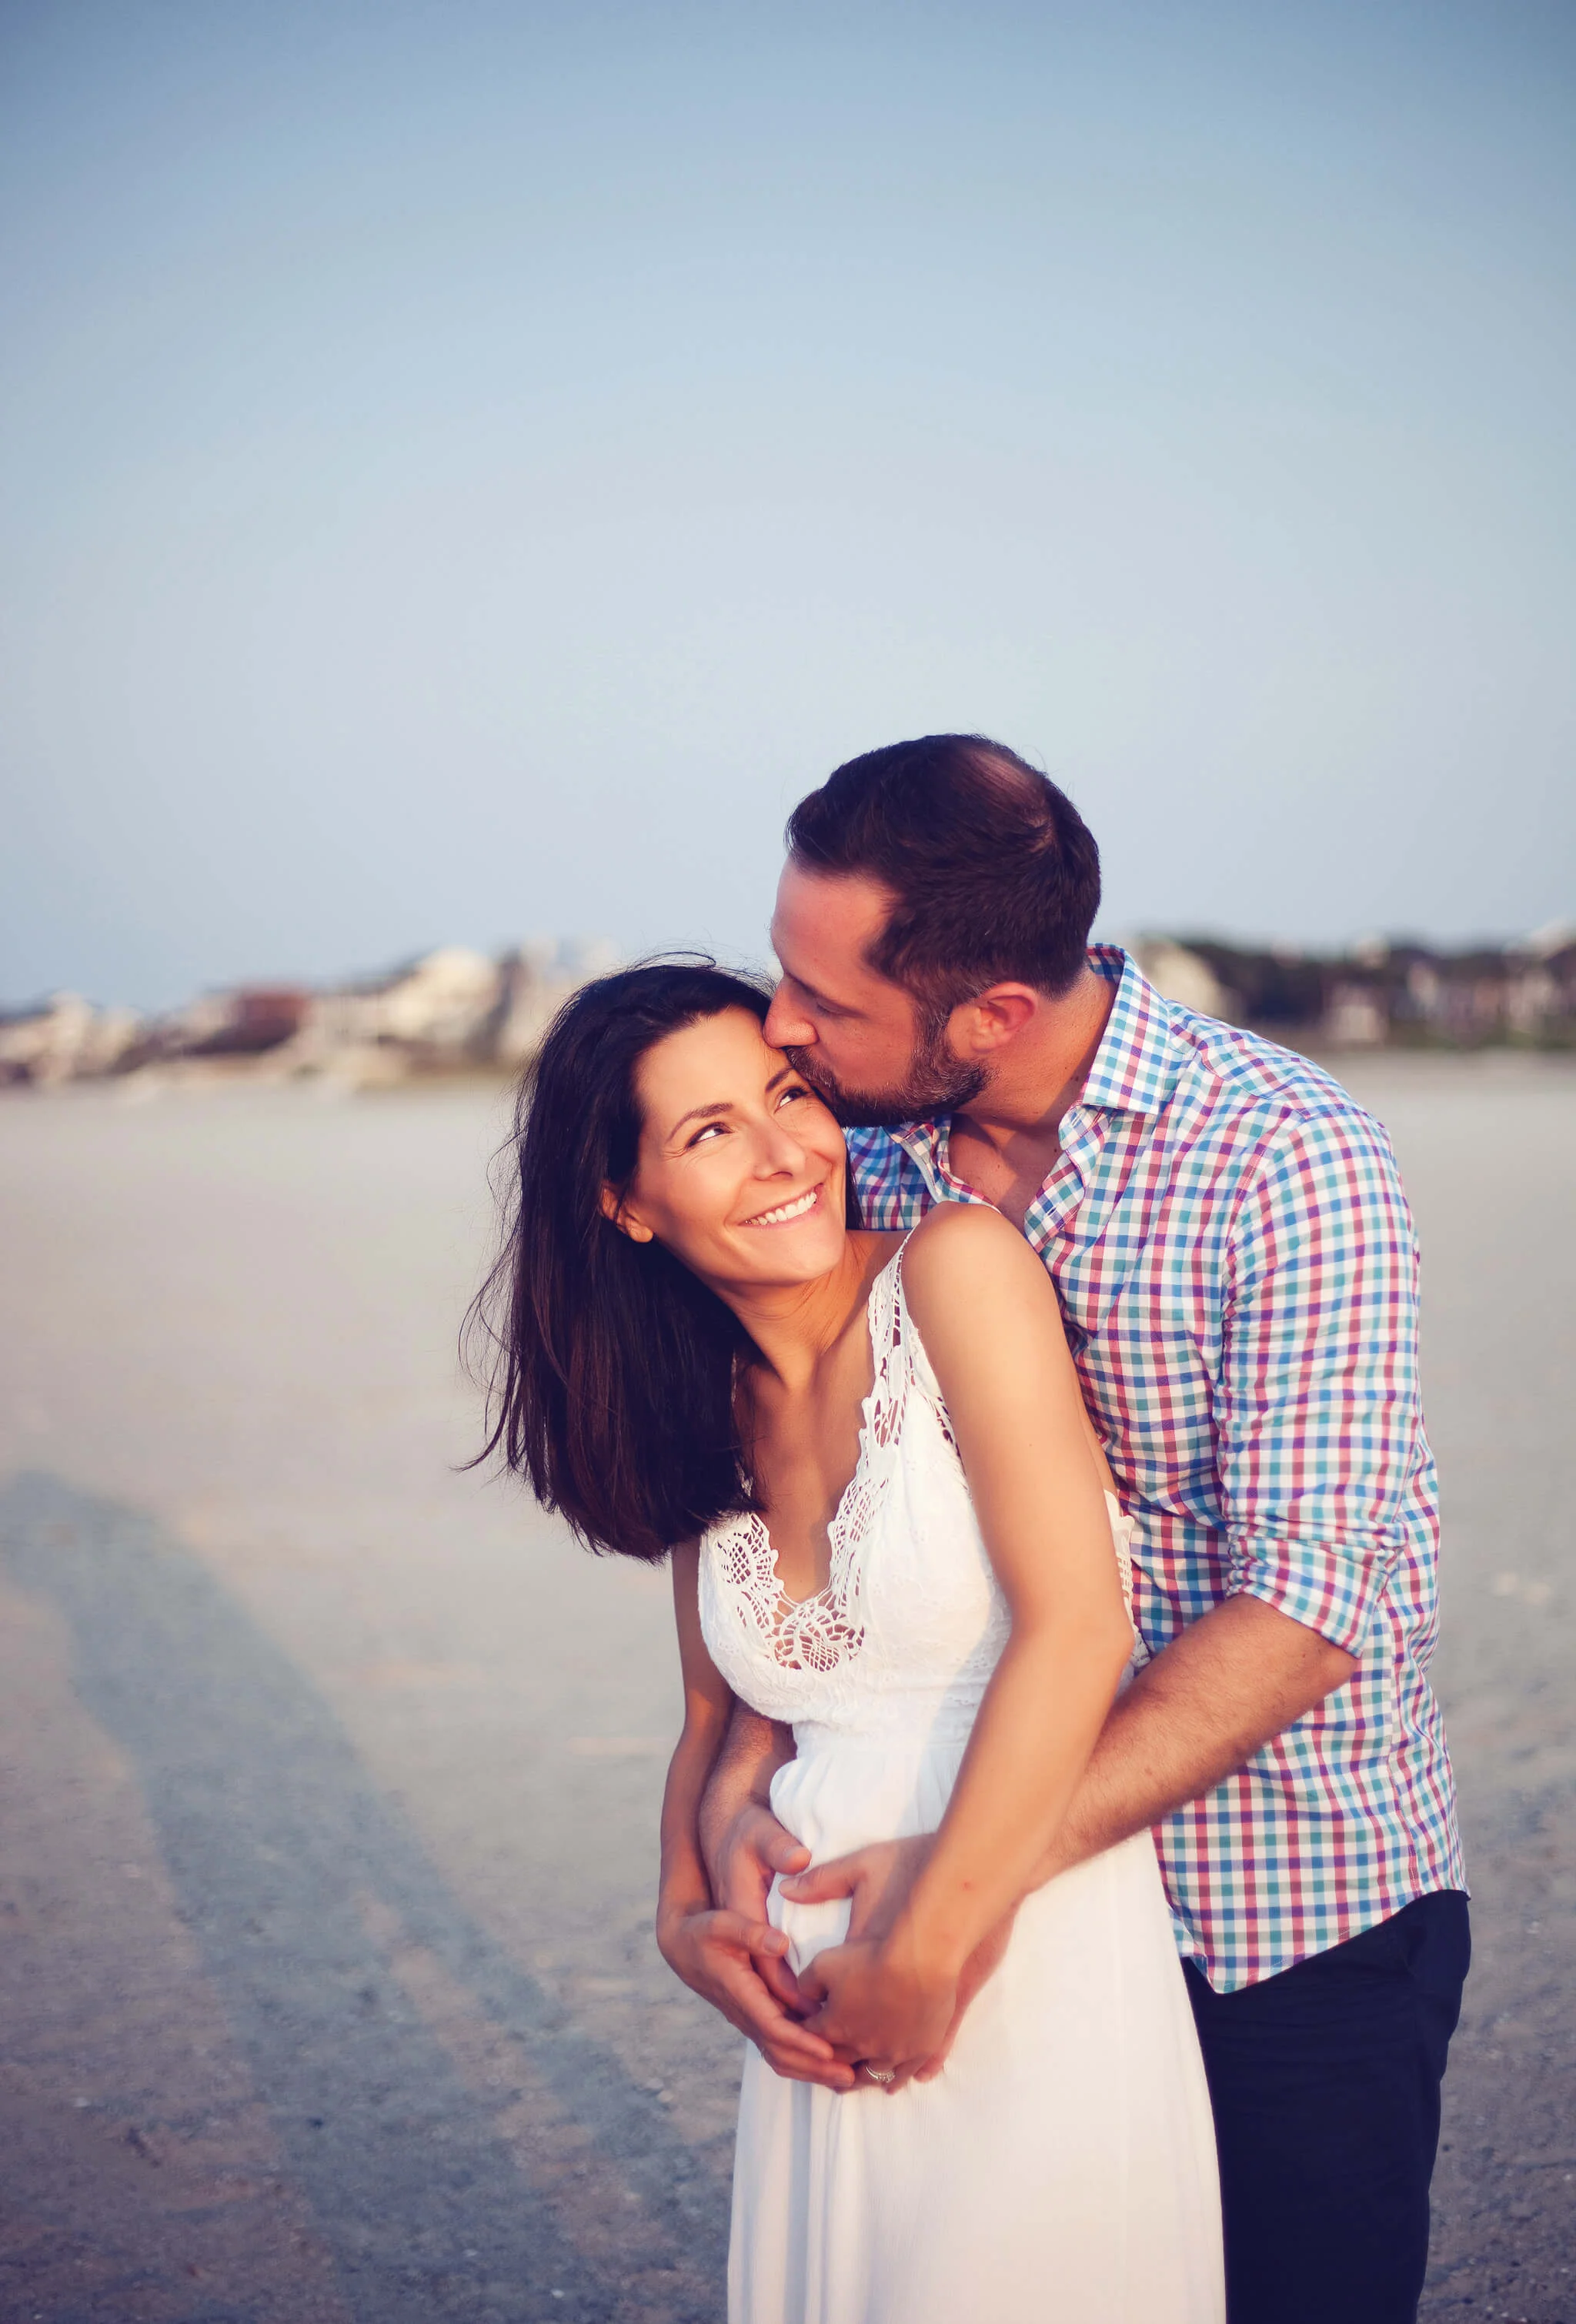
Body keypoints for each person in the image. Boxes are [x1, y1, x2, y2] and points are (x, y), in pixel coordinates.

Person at [683, 734, 1467, 2324]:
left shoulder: (1284, 1154)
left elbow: (1306, 1607)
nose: (783, 1027)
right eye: (785, 972)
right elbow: (785, 1529)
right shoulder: (854, 1151)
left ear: (996, 1018)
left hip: (1281, 1918)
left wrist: (956, 1894)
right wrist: (709, 1857)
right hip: (998, 1926)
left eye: (824, 1001)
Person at [473, 959, 1224, 2322]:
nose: (785, 1154)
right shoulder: (704, 1408)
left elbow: (1080, 1625)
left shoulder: (954, 1268)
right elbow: (719, 1724)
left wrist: (932, 1948)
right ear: (622, 1204)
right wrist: (684, 1917)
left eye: (788, 1094)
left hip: (1016, 1937)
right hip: (810, 2005)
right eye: (709, 1135)